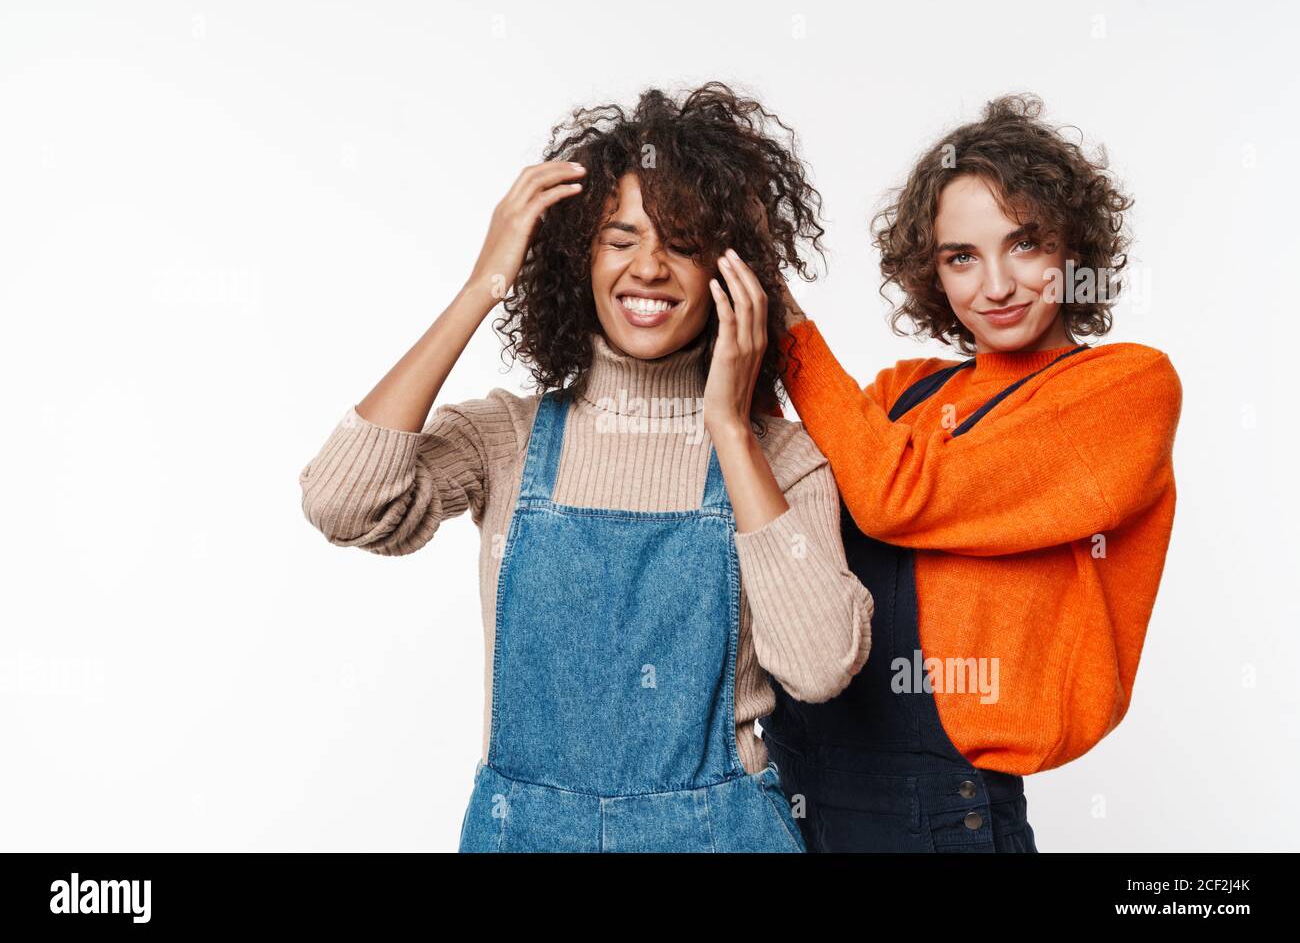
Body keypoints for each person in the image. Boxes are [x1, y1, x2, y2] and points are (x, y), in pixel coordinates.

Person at [298, 83, 873, 852]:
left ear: (728, 272)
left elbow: (821, 665)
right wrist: (481, 286)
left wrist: (730, 429)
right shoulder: (506, 438)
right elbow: (340, 501)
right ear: (577, 257)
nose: (651, 267)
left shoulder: (782, 459)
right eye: (620, 237)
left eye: (684, 240)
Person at [760, 93, 1182, 852]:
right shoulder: (906, 394)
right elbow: (777, 505)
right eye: (962, 257)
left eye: (1024, 244)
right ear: (935, 273)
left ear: (1073, 250)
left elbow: (893, 496)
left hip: (936, 811)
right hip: (788, 777)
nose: (997, 285)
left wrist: (783, 319)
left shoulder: (1124, 391)